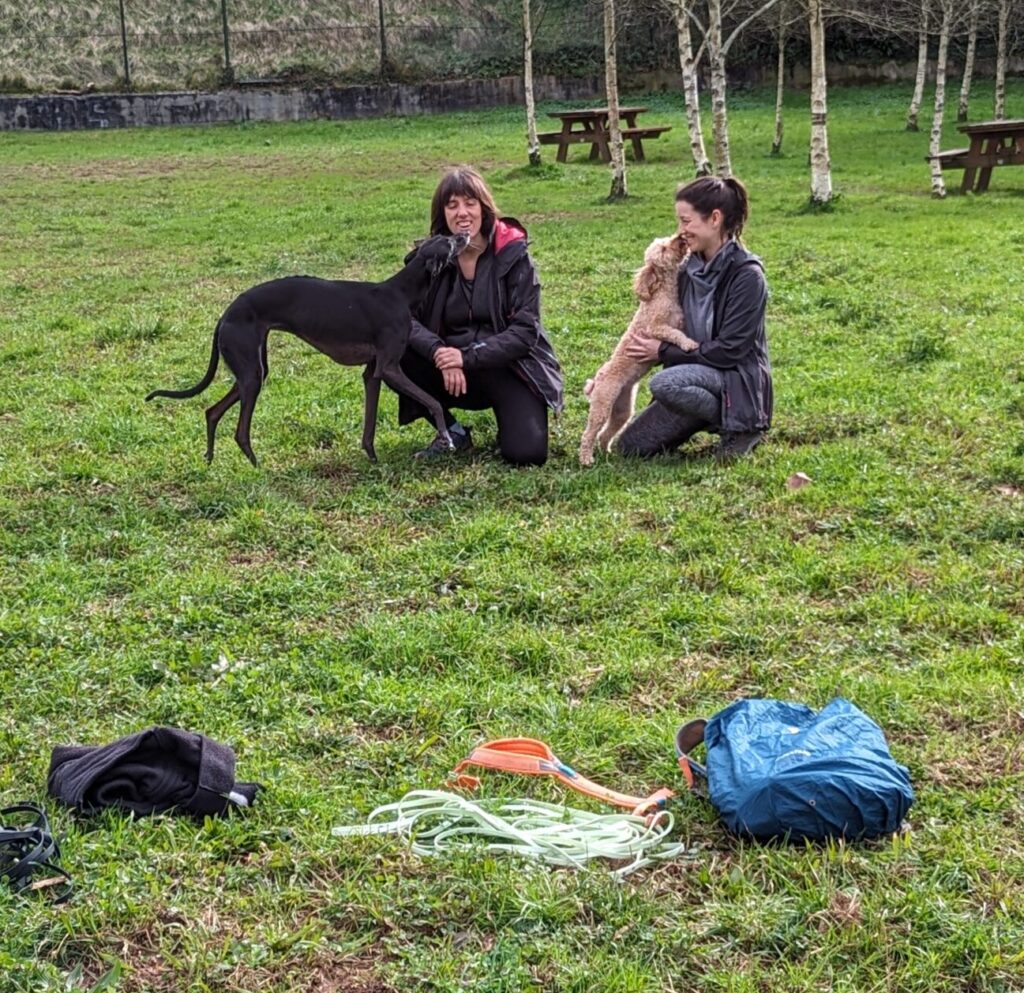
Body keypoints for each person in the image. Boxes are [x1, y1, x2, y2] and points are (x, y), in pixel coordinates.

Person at [396, 166, 563, 466]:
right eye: (452, 205)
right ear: (442, 214)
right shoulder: (429, 258)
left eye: (470, 203)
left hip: (509, 367)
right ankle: (452, 432)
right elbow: (398, 316)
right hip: (449, 369)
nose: (462, 213)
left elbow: (526, 332)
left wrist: (466, 357)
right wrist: (438, 351)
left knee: (527, 454)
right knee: (389, 348)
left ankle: (510, 418)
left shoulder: (514, 254)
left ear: (484, 208)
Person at [615, 175, 772, 461]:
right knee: (630, 448)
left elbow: (729, 351)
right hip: (695, 373)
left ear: (714, 218)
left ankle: (740, 425)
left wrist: (663, 351)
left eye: (686, 221)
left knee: (665, 384)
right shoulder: (686, 269)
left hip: (735, 380)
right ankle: (698, 412)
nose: (681, 230)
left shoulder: (747, 276)